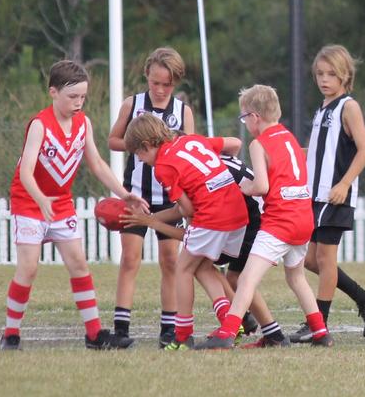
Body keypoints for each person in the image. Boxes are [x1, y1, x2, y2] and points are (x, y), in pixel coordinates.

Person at [0, 60, 148, 351]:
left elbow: (96, 163)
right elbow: (26, 171)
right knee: (28, 268)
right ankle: (10, 333)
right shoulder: (40, 125)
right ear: (53, 92)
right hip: (29, 202)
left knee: (79, 264)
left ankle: (94, 334)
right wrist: (40, 198)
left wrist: (123, 192)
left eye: (82, 96)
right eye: (72, 97)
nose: (78, 102)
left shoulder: (83, 123)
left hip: (60, 205)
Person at [197, 84, 333, 350]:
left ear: (254, 117)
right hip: (304, 219)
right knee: (296, 277)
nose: (244, 123)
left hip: (280, 222)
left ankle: (226, 334)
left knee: (246, 279)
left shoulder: (259, 143)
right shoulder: (289, 137)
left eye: (243, 117)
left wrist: (241, 188)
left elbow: (260, 186)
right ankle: (320, 331)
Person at [121, 154, 290, 348]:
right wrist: (149, 219)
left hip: (255, 217)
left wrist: (151, 222)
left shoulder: (183, 171)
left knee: (202, 265)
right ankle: (263, 331)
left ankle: (231, 325)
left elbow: (191, 232)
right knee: (218, 270)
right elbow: (182, 213)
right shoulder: (199, 162)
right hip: (254, 212)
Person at [122, 113, 248, 350]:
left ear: (147, 145)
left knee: (183, 268)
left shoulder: (163, 166)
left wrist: (151, 222)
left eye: (138, 154)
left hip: (213, 215)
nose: (140, 160)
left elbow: (187, 209)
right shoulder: (192, 140)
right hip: (236, 209)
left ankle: (182, 336)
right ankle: (229, 320)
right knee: (202, 267)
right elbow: (232, 144)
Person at [107, 47, 195, 348]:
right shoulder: (133, 105)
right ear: (147, 75)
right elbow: (113, 140)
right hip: (136, 195)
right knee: (130, 258)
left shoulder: (182, 112)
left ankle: (168, 328)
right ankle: (121, 327)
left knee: (171, 261)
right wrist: (139, 145)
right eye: (155, 82)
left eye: (166, 84)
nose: (159, 89)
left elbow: (190, 149)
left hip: (170, 199)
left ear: (176, 83)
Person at [291, 45, 365, 342]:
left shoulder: (348, 107)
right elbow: (318, 153)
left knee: (323, 258)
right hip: (315, 196)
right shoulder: (322, 108)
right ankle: (362, 298)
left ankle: (318, 323)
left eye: (331, 74)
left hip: (335, 195)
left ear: (345, 75)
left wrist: (345, 183)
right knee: (310, 261)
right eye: (320, 74)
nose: (324, 79)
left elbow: (363, 149)